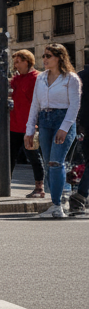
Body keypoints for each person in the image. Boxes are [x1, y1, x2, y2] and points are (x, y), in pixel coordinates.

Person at [25, 43, 82, 219]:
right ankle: (57, 202)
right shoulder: (40, 78)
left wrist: (64, 128)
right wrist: (29, 130)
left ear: (59, 57)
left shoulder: (70, 78)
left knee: (56, 163)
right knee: (49, 165)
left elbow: (74, 106)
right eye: (43, 56)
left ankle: (58, 205)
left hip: (62, 120)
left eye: (48, 56)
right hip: (44, 121)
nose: (44, 59)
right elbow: (35, 105)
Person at [8, 49, 46, 198]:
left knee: (33, 156)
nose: (15, 65)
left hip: (29, 125)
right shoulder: (15, 80)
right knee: (9, 157)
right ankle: (6, 185)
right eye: (14, 62)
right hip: (14, 124)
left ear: (27, 61)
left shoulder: (37, 78)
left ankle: (39, 187)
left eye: (18, 62)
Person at [68, 53, 89, 218]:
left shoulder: (79, 77)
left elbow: (74, 103)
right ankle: (80, 195)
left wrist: (79, 123)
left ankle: (81, 195)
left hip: (84, 125)